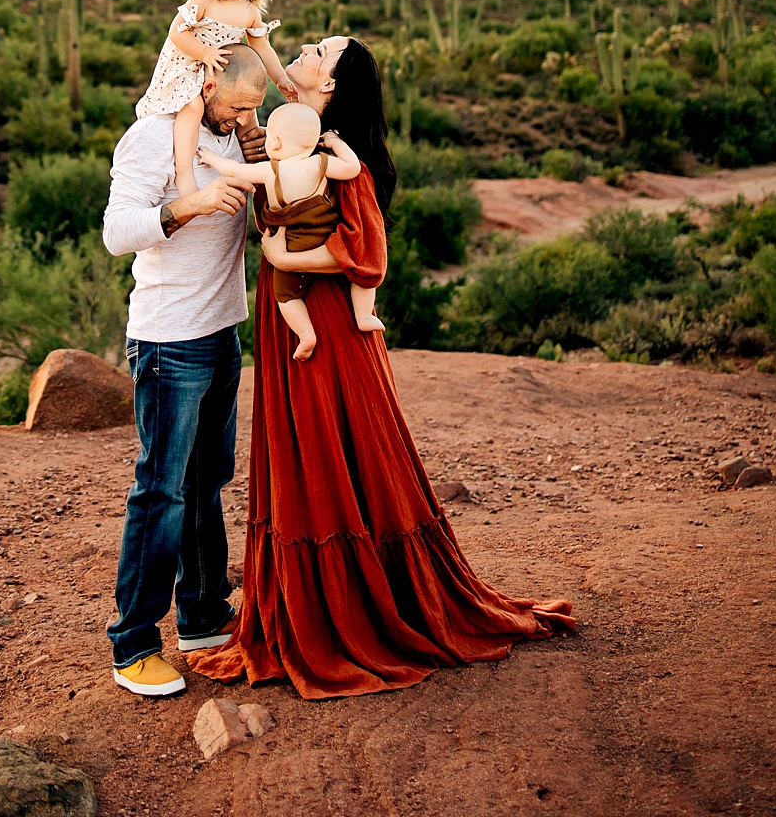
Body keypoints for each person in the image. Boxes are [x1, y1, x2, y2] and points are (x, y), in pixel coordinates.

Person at [189, 35, 574, 699]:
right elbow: (267, 198)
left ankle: (354, 613)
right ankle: (309, 606)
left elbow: (361, 254)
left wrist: (282, 262)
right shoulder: (294, 139)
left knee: (335, 445)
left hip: (329, 324)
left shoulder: (345, 158)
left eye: (316, 51)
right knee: (305, 451)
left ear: (332, 85)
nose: (303, 52)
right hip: (294, 319)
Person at [102, 41, 269, 697]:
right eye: (238, 105)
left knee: (206, 483)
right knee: (161, 490)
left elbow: (264, 221)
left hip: (220, 334)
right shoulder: (150, 138)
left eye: (255, 107)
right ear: (202, 86)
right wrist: (186, 208)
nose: (245, 117)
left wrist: (265, 158)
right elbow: (118, 231)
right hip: (169, 343)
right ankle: (134, 643)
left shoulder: (230, 140)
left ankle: (202, 614)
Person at [200, 101, 382, 361]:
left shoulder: (269, 170)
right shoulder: (321, 163)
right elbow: (352, 168)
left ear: (274, 143)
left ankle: (306, 333)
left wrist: (210, 157)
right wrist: (336, 143)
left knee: (285, 295)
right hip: (323, 240)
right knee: (359, 275)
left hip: (291, 247)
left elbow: (234, 170)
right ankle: (364, 315)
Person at [134, 0, 296, 197]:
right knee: (194, 106)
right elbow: (176, 33)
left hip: (220, 73)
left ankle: (256, 169)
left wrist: (279, 78)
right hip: (189, 63)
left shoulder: (249, 12)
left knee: (248, 114)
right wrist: (204, 53)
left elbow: (264, 48)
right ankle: (184, 172)